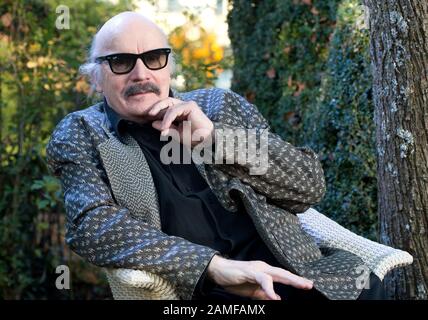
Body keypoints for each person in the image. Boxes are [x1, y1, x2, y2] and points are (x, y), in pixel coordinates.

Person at [46, 11, 386, 300]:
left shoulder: (219, 106)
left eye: (154, 58)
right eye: (121, 62)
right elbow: (92, 225)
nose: (142, 74)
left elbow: (309, 185)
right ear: (96, 79)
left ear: (168, 67)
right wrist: (212, 266)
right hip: (203, 287)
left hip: (299, 270)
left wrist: (214, 139)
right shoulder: (83, 133)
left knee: (372, 290)